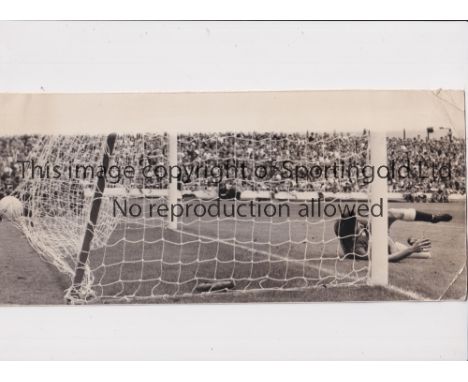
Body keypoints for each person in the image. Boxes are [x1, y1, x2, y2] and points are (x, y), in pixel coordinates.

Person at [334, 208, 452, 262]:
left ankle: (433, 218)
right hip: (383, 248)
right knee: (427, 255)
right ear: (352, 234)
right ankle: (407, 247)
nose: (360, 225)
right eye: (357, 226)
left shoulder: (348, 223)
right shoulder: (357, 250)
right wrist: (411, 249)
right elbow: (386, 259)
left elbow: (372, 222)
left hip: (380, 238)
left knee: (390, 213)